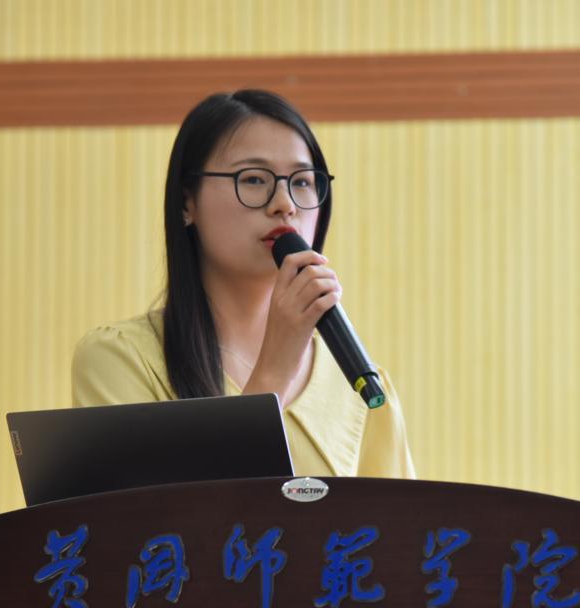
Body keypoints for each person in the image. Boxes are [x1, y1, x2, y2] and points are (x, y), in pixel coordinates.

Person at [72, 89, 414, 479]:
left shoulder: (360, 385)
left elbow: (403, 517)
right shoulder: (120, 359)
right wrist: (275, 370)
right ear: (187, 203)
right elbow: (150, 517)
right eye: (253, 179)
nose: (285, 203)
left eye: (302, 182)